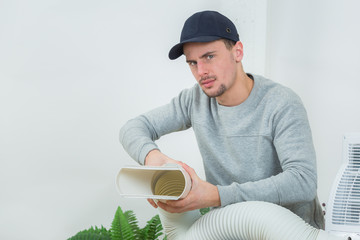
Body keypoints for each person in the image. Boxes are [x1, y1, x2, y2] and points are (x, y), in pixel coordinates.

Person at [119, 10, 325, 229]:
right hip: (230, 229)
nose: (201, 71)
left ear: (237, 52)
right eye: (192, 62)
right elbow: (132, 128)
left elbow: (303, 181)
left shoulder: (281, 102)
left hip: (289, 231)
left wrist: (216, 195)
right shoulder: (194, 100)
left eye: (209, 56)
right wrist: (153, 158)